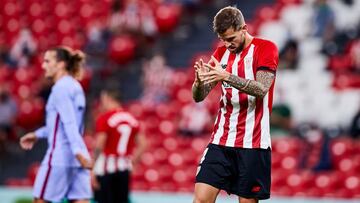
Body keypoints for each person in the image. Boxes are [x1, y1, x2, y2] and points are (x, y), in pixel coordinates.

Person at [192, 6, 278, 203]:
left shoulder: (266, 48)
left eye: (231, 39)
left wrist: (227, 76)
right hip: (221, 141)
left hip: (253, 143)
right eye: (223, 39)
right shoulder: (221, 53)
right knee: (201, 200)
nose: (226, 44)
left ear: (244, 28)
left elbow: (262, 88)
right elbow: (199, 96)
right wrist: (198, 83)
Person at [19, 46, 93, 203]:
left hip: (61, 157)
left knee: (40, 200)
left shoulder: (60, 88)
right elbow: (61, 124)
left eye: (47, 61)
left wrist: (77, 151)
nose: (43, 65)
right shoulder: (76, 86)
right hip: (77, 157)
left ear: (60, 64)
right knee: (80, 200)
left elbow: (69, 122)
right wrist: (37, 134)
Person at [92, 87, 147, 203]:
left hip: (105, 169)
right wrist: (132, 162)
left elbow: (99, 145)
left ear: (107, 98)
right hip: (124, 168)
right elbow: (143, 144)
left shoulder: (104, 118)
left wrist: (92, 169)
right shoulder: (131, 118)